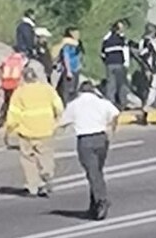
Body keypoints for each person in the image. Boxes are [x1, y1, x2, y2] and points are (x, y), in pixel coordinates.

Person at [58, 82, 120, 220]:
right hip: (101, 138)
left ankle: (101, 200)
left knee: (93, 173)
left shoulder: (74, 104)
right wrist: (112, 130)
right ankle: (94, 207)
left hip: (85, 140)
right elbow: (115, 114)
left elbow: (62, 122)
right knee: (97, 172)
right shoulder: (101, 102)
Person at [5, 66, 64, 197]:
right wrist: (58, 120)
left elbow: (13, 113)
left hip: (26, 131)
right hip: (46, 130)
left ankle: (33, 186)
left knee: (28, 159)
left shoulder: (19, 92)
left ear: (24, 78)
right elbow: (58, 107)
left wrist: (9, 129)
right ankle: (47, 174)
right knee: (46, 155)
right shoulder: (47, 89)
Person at [100, 20, 130, 109]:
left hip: (109, 64)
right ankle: (122, 103)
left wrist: (106, 61)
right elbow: (125, 52)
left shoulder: (106, 40)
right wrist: (126, 64)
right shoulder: (122, 39)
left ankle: (110, 103)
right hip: (119, 64)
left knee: (111, 84)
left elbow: (102, 54)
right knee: (121, 84)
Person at [0, 47, 27, 127]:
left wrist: (1, 81)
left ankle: (2, 118)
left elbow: (0, 69)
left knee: (7, 101)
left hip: (6, 84)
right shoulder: (22, 61)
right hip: (15, 85)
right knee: (16, 103)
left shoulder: (8, 59)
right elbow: (23, 72)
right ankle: (15, 120)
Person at [53, 27, 84, 103]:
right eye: (75, 33)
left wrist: (80, 64)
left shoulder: (77, 43)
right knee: (67, 89)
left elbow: (80, 55)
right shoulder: (67, 45)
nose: (78, 35)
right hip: (69, 68)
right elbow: (66, 57)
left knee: (74, 88)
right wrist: (68, 70)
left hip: (76, 68)